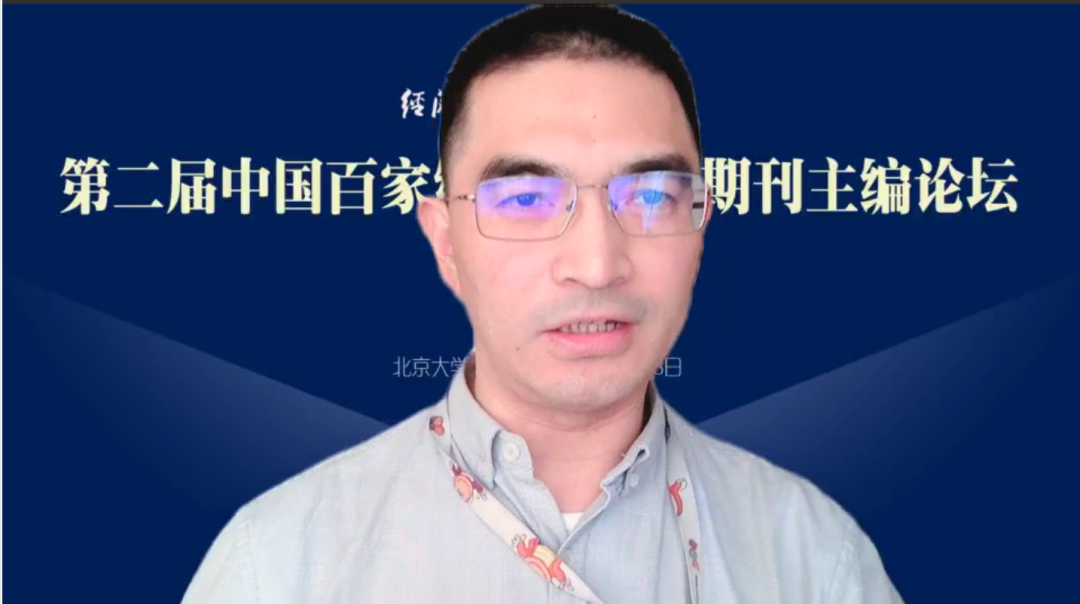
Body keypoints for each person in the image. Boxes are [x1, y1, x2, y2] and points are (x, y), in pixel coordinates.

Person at [180, 5, 904, 603]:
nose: (596, 264)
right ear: (446, 242)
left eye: (652, 195)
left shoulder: (813, 559)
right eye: (526, 199)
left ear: (701, 227)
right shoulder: (278, 564)